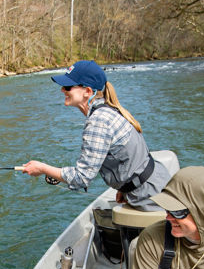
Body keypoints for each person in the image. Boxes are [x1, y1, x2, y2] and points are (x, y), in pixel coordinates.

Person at [21, 60, 170, 211]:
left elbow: (81, 178)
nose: (62, 90)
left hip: (149, 195)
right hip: (152, 184)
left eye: (67, 87)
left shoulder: (98, 121)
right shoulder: (108, 110)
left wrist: (42, 168)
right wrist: (125, 189)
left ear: (88, 91)